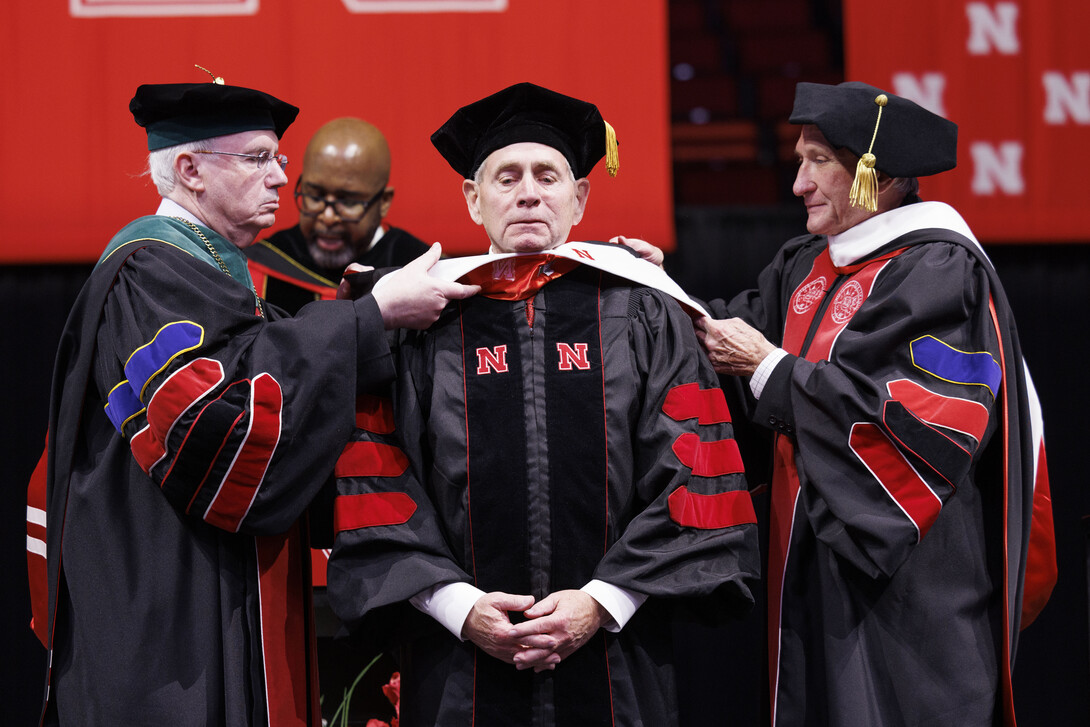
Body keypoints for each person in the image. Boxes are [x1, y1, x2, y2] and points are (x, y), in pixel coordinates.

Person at [34, 75, 477, 726]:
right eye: (258, 157)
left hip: (196, 593)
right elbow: (217, 426)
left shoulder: (207, 272)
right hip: (164, 615)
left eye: (279, 160)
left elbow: (262, 362)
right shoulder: (148, 271)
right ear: (189, 169)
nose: (279, 178)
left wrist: (363, 319)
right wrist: (368, 318)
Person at [326, 82, 762, 726]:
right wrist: (457, 606)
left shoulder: (642, 311)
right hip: (456, 662)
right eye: (506, 176)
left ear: (579, 196)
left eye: (548, 175)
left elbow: (696, 475)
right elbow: (378, 482)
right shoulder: (420, 317)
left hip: (616, 656)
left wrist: (603, 601)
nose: (528, 191)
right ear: (474, 199)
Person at [693, 81, 1056, 726]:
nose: (799, 184)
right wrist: (646, 291)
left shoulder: (940, 271)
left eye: (819, 162)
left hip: (904, 593)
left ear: (875, 176)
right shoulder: (807, 265)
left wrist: (771, 370)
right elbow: (726, 338)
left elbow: (912, 425)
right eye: (798, 161)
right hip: (808, 577)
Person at [245, 117, 429, 315]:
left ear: (383, 202)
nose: (328, 217)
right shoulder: (256, 268)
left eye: (348, 202)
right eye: (315, 196)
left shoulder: (423, 273)